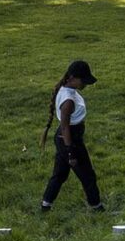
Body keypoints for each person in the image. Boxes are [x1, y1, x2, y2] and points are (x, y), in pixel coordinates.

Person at [40, 60, 103, 212]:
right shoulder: (68, 100)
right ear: (73, 77)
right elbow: (65, 127)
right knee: (88, 176)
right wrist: (71, 152)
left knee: (60, 175)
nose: (85, 85)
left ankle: (45, 206)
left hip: (65, 138)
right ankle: (97, 207)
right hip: (70, 140)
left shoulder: (66, 90)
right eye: (83, 81)